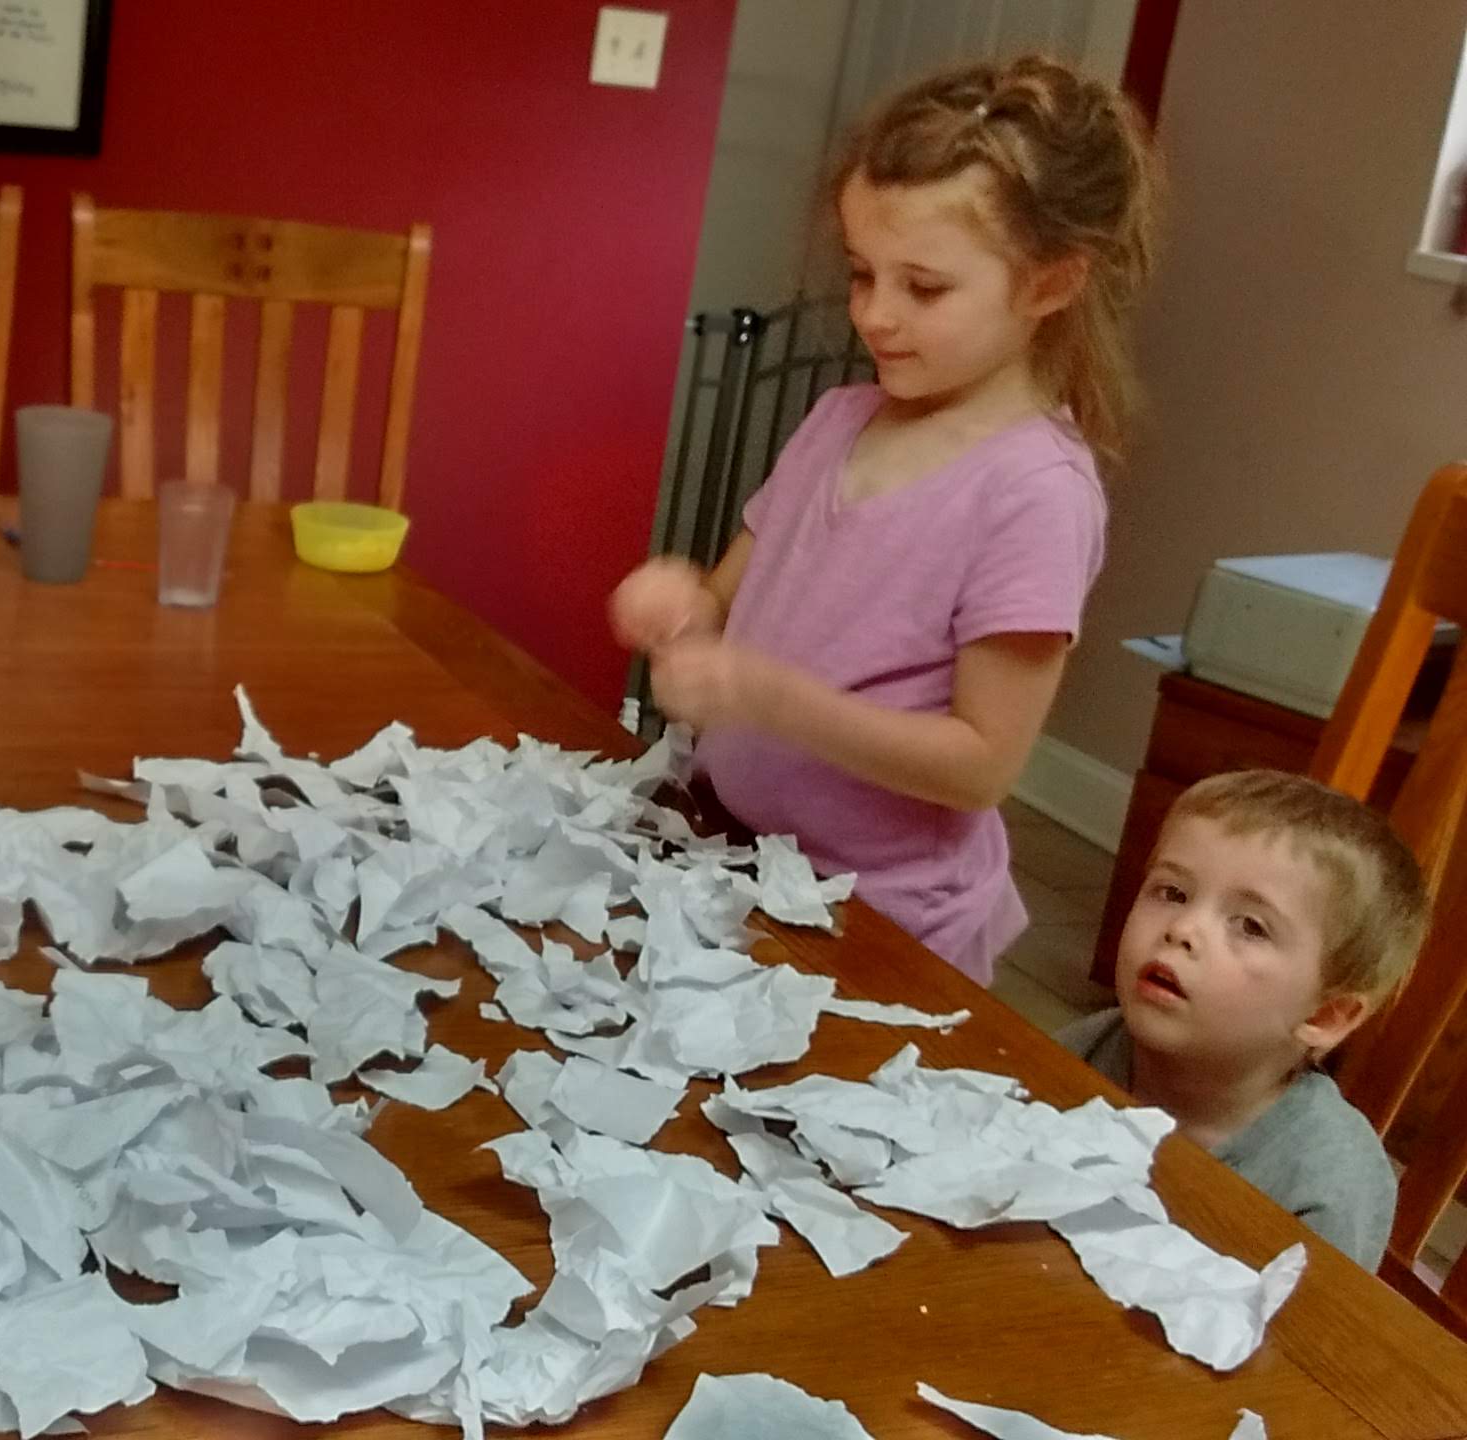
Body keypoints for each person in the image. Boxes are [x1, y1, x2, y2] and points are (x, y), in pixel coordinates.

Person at [609, 55, 1160, 982]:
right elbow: (728, 597)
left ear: (1052, 284)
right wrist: (681, 605)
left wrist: (767, 697)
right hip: (738, 862)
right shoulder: (839, 420)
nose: (875, 315)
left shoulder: (1036, 493)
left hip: (879, 929)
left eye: (926, 287)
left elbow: (981, 764)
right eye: (864, 274)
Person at [1058, 770, 1427, 1263]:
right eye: (1172, 893)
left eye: (1251, 926)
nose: (1183, 929)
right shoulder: (1089, 1046)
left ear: (1325, 1013)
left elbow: (1316, 1331)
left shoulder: (1329, 1180)